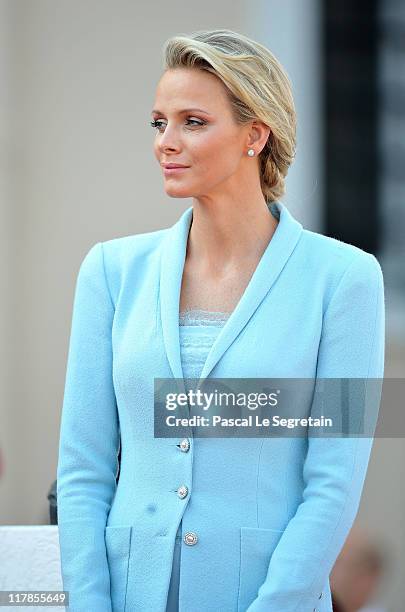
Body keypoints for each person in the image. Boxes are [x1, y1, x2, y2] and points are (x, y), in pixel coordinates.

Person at [56, 28, 385, 612]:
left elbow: (333, 485)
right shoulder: (110, 272)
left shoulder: (345, 280)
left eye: (193, 122)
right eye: (159, 122)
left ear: (255, 135)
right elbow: (83, 469)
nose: (166, 142)